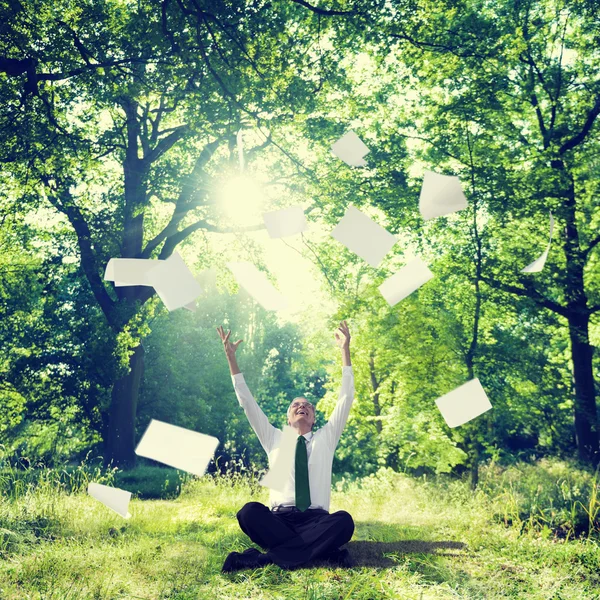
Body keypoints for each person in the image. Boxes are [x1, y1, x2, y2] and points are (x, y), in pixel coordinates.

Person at [217, 321, 356, 572]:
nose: (302, 406)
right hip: (278, 521)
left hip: (316, 520)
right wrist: (231, 360)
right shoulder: (274, 438)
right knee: (249, 512)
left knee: (344, 521)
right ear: (288, 418)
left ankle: (261, 559)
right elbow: (247, 402)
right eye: (296, 405)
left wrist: (345, 351)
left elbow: (346, 397)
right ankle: (325, 552)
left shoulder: (326, 437)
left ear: (314, 418)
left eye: (308, 406)